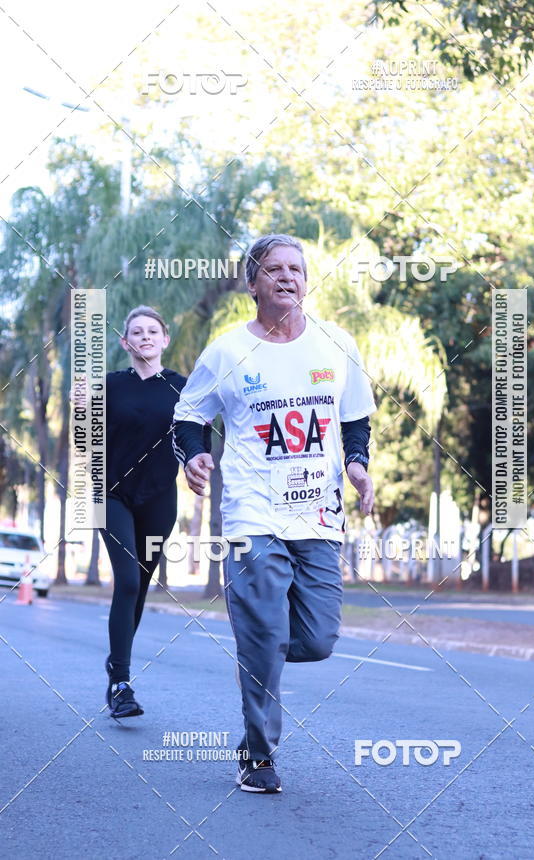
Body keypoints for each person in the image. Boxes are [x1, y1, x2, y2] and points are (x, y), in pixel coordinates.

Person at [173, 234, 375, 792]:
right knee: (265, 635)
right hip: (251, 515)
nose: (288, 277)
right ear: (252, 282)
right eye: (275, 269)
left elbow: (354, 419)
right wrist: (193, 455)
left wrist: (356, 464)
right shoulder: (227, 351)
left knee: (315, 640)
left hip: (318, 515)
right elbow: (188, 415)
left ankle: (260, 641)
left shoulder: (337, 344)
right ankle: (258, 756)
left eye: (296, 269)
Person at [100, 306, 186, 719]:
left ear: (165, 339)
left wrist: (198, 463)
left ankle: (116, 667)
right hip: (111, 497)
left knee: (141, 585)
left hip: (159, 499)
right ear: (125, 342)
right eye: (137, 331)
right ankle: (121, 682)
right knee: (129, 581)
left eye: (153, 330)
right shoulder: (110, 386)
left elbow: (194, 436)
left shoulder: (183, 388)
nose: (146, 336)